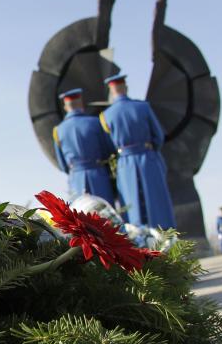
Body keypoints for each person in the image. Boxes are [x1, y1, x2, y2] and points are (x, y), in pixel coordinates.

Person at [98, 73, 175, 228]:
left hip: (125, 164)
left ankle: (140, 245)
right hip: (148, 158)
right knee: (158, 202)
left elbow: (108, 146)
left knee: (132, 208)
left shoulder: (105, 116)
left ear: (111, 92)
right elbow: (158, 136)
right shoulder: (143, 107)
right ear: (125, 87)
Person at [52, 88, 115, 204]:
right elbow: (108, 150)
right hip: (99, 176)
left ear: (65, 107)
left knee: (79, 215)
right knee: (105, 214)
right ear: (81, 104)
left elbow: (62, 165)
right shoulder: (96, 122)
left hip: (75, 178)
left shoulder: (58, 131)